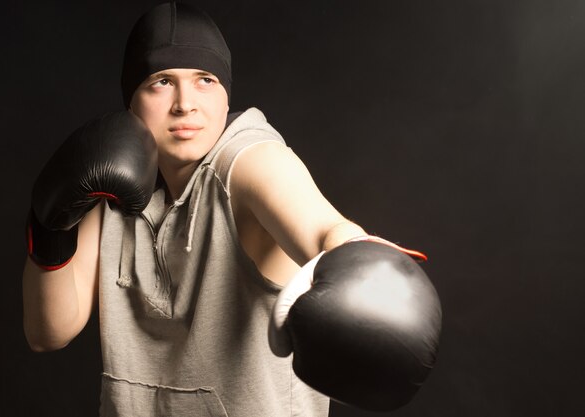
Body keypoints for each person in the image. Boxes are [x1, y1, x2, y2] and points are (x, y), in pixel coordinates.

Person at [22, 2, 441, 416]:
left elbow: (321, 227)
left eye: (205, 80)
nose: (185, 104)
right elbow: (48, 334)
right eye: (161, 81)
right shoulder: (109, 187)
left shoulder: (250, 161)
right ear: (132, 100)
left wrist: (352, 253)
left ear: (226, 97)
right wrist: (51, 226)